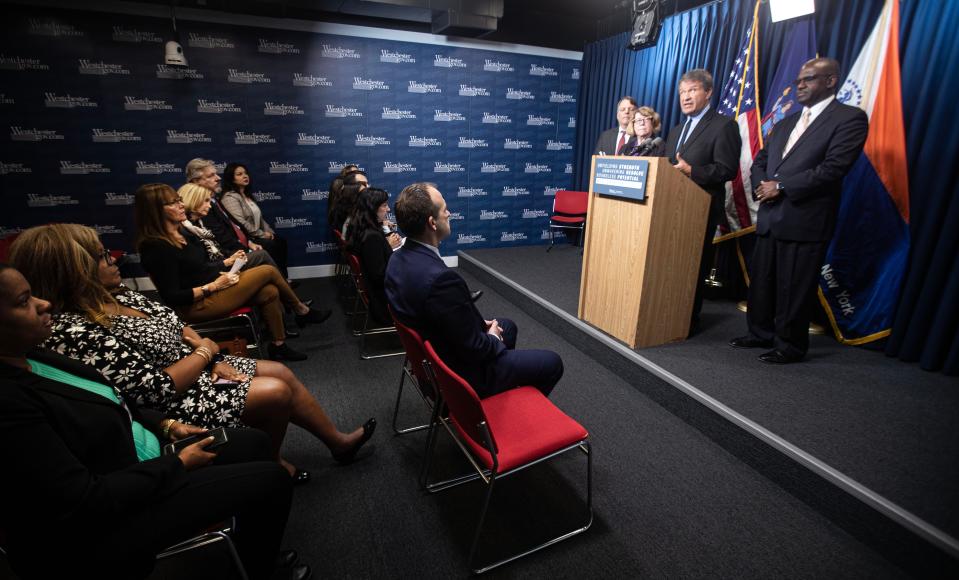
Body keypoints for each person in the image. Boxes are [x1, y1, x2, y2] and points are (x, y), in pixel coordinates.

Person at [0, 263, 305, 580]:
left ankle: (247, 552)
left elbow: (114, 400)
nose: (42, 304)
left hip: (145, 456)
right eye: (23, 301)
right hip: (108, 520)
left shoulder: (35, 355)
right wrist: (177, 465)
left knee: (255, 443)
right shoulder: (9, 403)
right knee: (272, 480)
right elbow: (84, 499)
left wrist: (166, 425)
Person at [9, 224, 376, 484]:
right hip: (175, 399)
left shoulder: (116, 295)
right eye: (103, 256)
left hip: (198, 367)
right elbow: (155, 391)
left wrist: (213, 358)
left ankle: (335, 443)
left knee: (281, 375)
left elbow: (173, 322)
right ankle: (271, 463)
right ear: (76, 271)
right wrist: (205, 353)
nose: (114, 261)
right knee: (276, 393)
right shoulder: (73, 329)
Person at [730, 58, 868, 364]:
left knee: (794, 287)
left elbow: (833, 168)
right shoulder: (785, 122)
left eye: (808, 79)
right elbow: (762, 160)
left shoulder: (849, 119)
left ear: (831, 81)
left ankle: (789, 345)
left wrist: (780, 186)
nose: (799, 85)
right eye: (798, 80)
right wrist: (761, 184)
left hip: (805, 218)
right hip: (769, 215)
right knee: (762, 281)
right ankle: (759, 333)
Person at [385, 182, 563, 398]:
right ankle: (494, 403)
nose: (449, 213)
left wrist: (479, 325)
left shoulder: (397, 258)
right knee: (552, 362)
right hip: (459, 377)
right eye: (444, 210)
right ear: (432, 223)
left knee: (508, 326)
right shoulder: (442, 279)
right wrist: (492, 338)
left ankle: (502, 393)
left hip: (434, 357)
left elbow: (444, 319)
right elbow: (474, 348)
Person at [134, 183, 330, 361]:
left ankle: (278, 344)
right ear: (155, 211)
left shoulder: (184, 233)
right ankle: (301, 310)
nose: (181, 205)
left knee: (269, 292)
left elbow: (203, 267)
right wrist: (213, 286)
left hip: (214, 288)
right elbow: (172, 296)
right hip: (196, 306)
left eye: (179, 200)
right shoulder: (155, 247)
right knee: (267, 270)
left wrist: (226, 266)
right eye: (173, 203)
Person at [664, 69, 741, 328]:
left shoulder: (724, 125)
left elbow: (727, 169)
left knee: (693, 267)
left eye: (692, 90)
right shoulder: (675, 131)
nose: (686, 97)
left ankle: (687, 319)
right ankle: (666, 310)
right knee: (670, 265)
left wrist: (692, 171)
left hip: (701, 210)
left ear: (708, 93)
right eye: (682, 92)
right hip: (670, 209)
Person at [184, 158, 275, 267]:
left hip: (239, 247)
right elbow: (220, 237)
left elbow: (235, 226)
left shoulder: (214, 199)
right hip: (228, 256)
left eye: (216, 174)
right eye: (210, 176)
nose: (218, 178)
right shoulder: (200, 207)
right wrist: (245, 249)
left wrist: (249, 242)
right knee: (264, 255)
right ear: (195, 181)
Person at [221, 162, 291, 282]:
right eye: (239, 174)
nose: (245, 176)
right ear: (231, 178)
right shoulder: (229, 197)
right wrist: (262, 234)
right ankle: (278, 280)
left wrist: (270, 232)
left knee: (280, 241)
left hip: (258, 234)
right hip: (248, 238)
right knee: (271, 245)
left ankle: (284, 278)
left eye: (245, 173)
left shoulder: (247, 195)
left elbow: (260, 219)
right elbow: (240, 222)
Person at [346, 188, 402, 326]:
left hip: (381, 294)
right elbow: (380, 276)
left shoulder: (362, 228)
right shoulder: (371, 237)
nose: (388, 209)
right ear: (372, 208)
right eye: (384, 205)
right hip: (385, 302)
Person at [332, 171, 369, 235]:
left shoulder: (360, 207)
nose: (368, 187)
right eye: (363, 184)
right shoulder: (347, 212)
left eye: (367, 183)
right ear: (351, 187)